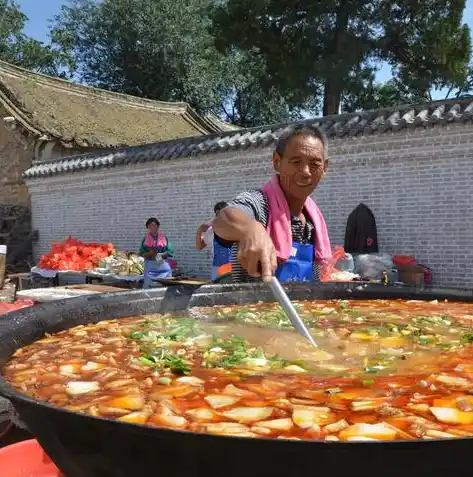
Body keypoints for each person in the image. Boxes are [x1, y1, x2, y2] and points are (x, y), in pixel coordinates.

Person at [212, 123, 332, 283]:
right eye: (296, 162)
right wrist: (250, 229)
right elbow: (223, 218)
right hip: (250, 307)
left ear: (325, 168)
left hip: (302, 308)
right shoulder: (260, 204)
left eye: (315, 164)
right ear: (277, 162)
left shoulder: (314, 220)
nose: (305, 172)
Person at [196, 201, 233, 280]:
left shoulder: (236, 228)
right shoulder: (212, 230)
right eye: (218, 214)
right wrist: (199, 231)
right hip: (217, 269)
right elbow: (200, 246)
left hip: (233, 268)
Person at [139, 218, 174, 288]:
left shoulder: (164, 238)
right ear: (148, 228)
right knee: (149, 288)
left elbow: (170, 252)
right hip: (150, 268)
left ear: (158, 226)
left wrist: (162, 255)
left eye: (154, 226)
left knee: (166, 287)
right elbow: (141, 253)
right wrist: (150, 254)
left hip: (163, 268)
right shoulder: (145, 240)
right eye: (150, 226)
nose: (152, 228)